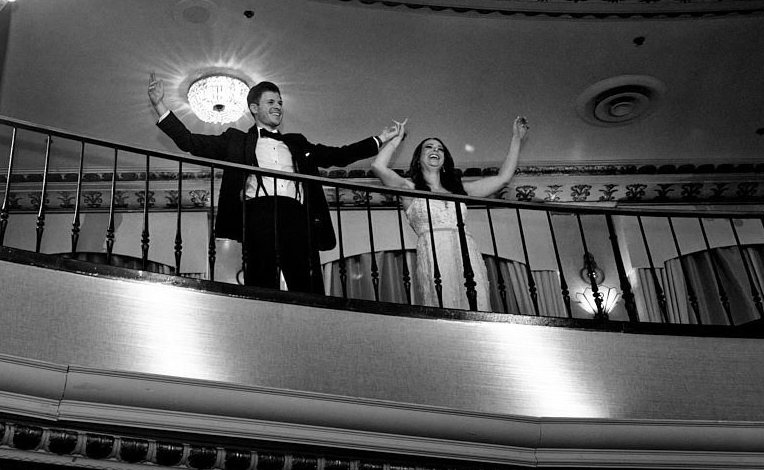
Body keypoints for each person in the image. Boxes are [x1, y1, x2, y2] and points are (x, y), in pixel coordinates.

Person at [148, 74, 400, 295]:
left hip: (298, 215)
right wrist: (160, 105)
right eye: (271, 102)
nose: (278, 107)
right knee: (261, 283)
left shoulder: (297, 142)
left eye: (280, 102)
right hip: (258, 214)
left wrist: (380, 139)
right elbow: (191, 142)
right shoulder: (236, 140)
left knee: (308, 286)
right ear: (254, 108)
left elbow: (338, 155)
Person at [370, 116, 529, 310]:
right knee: (443, 303)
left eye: (440, 148)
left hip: (466, 252)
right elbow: (378, 167)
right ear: (419, 158)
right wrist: (396, 138)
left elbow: (503, 179)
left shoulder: (461, 189)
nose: (435, 150)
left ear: (444, 160)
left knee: (477, 305)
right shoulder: (408, 188)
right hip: (434, 254)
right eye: (428, 147)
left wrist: (516, 139)